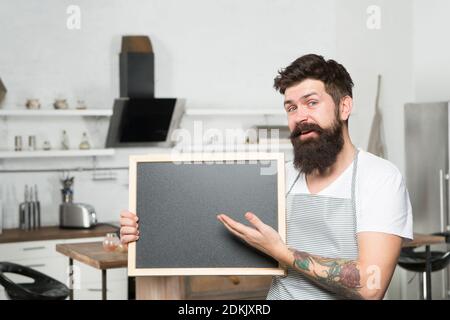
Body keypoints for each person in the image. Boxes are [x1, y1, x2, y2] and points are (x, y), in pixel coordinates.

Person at [120, 54, 413, 300]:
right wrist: (147, 234)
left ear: (344, 106)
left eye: (311, 102)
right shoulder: (281, 175)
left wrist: (283, 253)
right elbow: (215, 237)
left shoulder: (379, 178)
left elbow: (371, 285)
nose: (300, 117)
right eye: (291, 107)